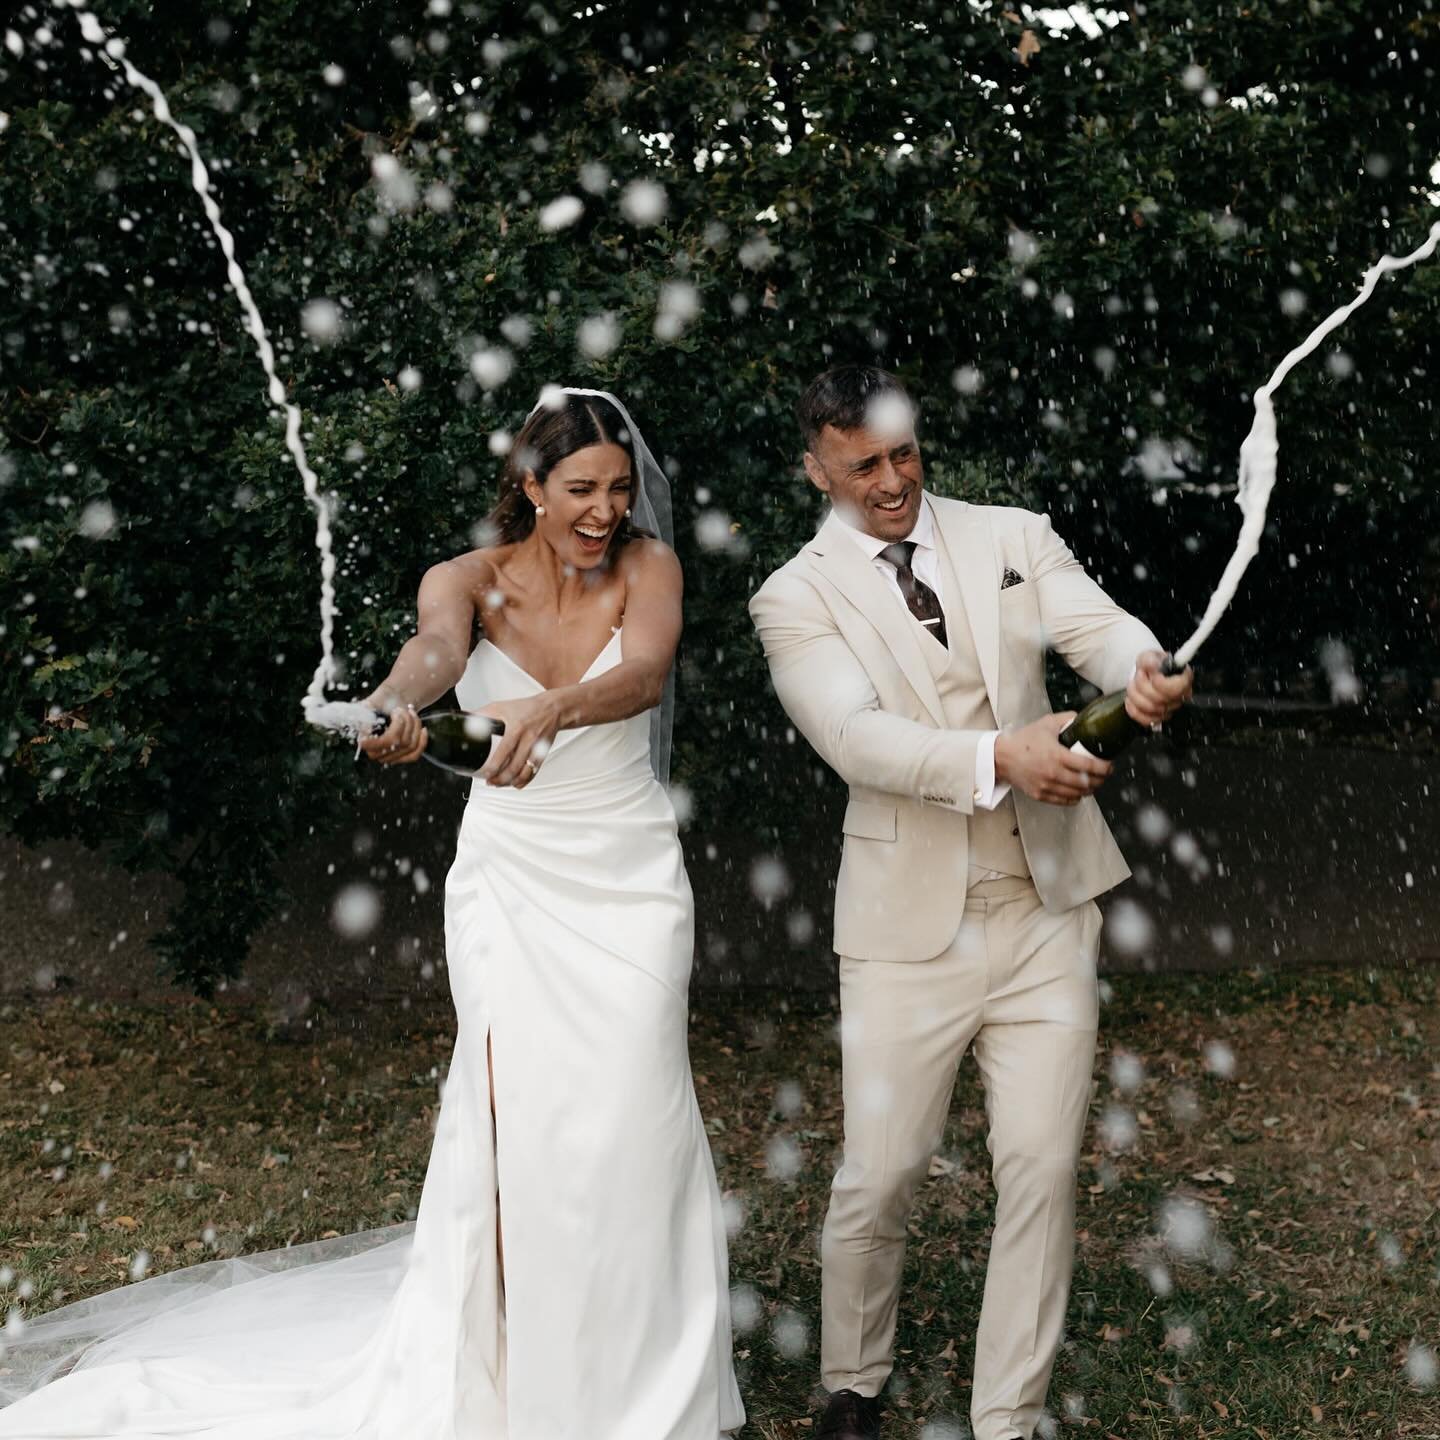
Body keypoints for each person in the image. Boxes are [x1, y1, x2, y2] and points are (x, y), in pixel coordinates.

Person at [0, 387, 744, 1440]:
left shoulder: (650, 568)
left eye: (618, 490)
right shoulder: (466, 579)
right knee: (512, 1113)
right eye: (580, 489)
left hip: (627, 873)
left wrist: (553, 706)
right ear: (528, 487)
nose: (604, 510)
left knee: (637, 1103)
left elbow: (647, 673)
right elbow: (433, 654)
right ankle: (508, 1368)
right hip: (514, 873)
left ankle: (636, 1376)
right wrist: (401, 706)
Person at [747, 365, 1192, 1440]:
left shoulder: (1011, 534)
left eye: (904, 454)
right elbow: (856, 737)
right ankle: (853, 1381)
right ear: (817, 469)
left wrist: (1142, 668)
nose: (893, 481)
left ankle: (1009, 1417)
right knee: (882, 1171)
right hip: (906, 931)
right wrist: (1001, 754)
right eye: (864, 467)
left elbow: (1097, 626)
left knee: (1040, 1169)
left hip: (1047, 907)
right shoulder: (793, 596)